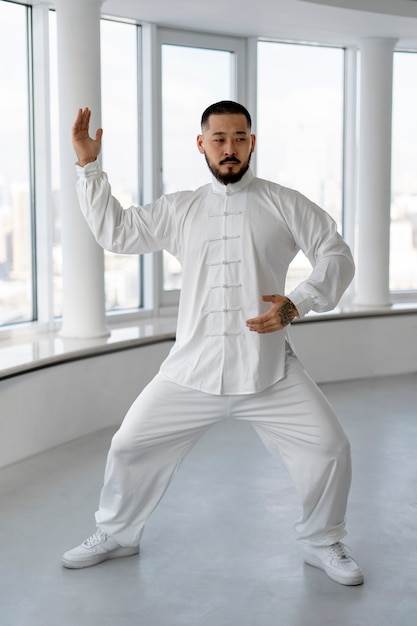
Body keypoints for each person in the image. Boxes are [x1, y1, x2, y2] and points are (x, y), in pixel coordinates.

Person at [62, 101, 363, 586]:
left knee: (330, 447)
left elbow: (336, 254)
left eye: (239, 138)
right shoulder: (181, 208)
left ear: (252, 143)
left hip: (269, 372)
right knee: (128, 445)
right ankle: (117, 533)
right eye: (219, 139)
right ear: (201, 144)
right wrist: (88, 165)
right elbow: (116, 232)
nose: (229, 149)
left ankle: (321, 540)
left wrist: (297, 303)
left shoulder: (285, 202)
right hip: (190, 371)